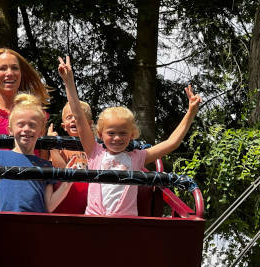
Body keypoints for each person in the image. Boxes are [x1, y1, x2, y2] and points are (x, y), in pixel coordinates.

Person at [58, 55, 201, 216]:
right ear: (100, 134)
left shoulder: (136, 157)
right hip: (95, 220)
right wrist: (69, 81)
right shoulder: (95, 152)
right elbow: (78, 115)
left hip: (125, 223)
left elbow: (172, 143)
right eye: (111, 133)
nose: (117, 138)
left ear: (132, 135)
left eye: (123, 133)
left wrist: (190, 113)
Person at [0, 94, 74, 213]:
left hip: (36, 224)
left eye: (32, 125)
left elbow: (49, 206)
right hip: (9, 223)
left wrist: (67, 183)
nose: (26, 129)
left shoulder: (45, 165)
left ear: (41, 131)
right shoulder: (0, 157)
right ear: (10, 130)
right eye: (20, 124)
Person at [47, 101, 94, 214]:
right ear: (64, 126)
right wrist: (53, 147)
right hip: (70, 193)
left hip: (90, 195)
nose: (73, 120)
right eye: (69, 117)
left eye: (79, 117)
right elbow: (62, 170)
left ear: (89, 124)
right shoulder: (62, 146)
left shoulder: (93, 146)